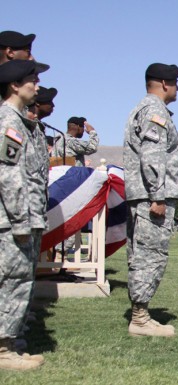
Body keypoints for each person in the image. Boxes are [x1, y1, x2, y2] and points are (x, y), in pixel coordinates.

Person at [123, 63, 178, 337]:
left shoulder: (146, 109)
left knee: (144, 255)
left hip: (144, 196)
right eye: (175, 82)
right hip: (151, 198)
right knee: (150, 256)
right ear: (164, 83)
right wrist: (157, 196)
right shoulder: (154, 111)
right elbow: (152, 157)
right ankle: (140, 318)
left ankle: (140, 314)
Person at [0, 59, 49, 370]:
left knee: (18, 280)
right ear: (15, 85)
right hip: (13, 219)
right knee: (12, 280)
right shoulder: (8, 120)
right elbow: (8, 174)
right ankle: (3, 351)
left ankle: (10, 344)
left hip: (22, 216)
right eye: (32, 79)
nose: (37, 85)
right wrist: (20, 219)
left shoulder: (20, 121)